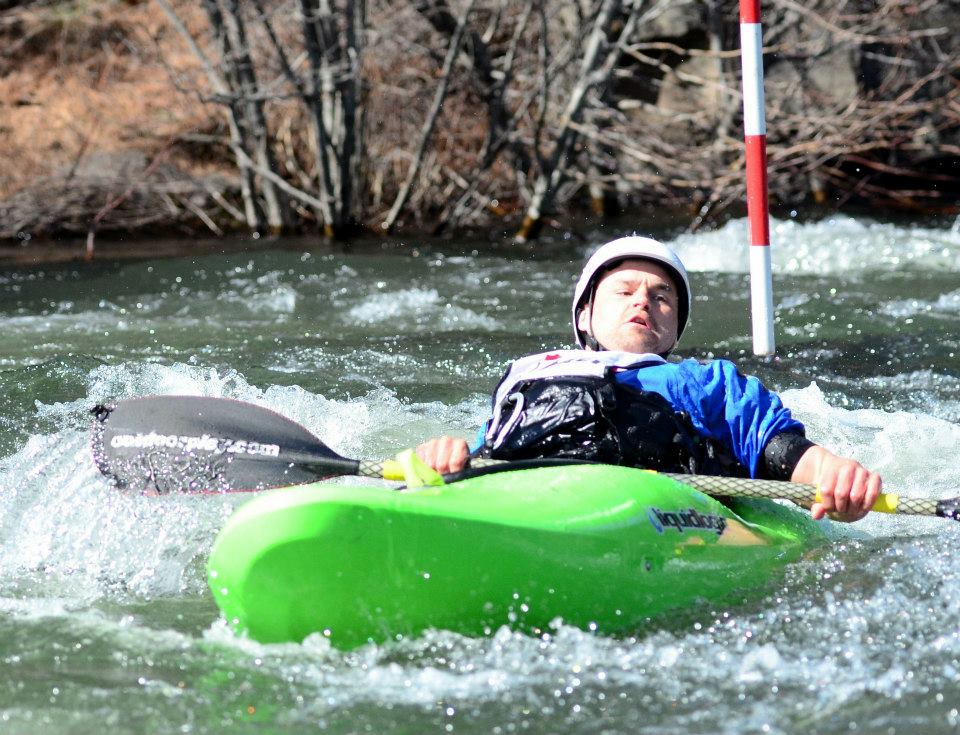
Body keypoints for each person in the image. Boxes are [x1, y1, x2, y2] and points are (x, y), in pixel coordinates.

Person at [416, 236, 882, 522]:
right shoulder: (526, 374)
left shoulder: (704, 382)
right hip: (518, 498)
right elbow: (486, 457)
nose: (642, 302)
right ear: (585, 313)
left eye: (661, 298)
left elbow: (789, 459)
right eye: (624, 291)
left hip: (647, 510)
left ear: (674, 327)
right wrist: (446, 458)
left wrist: (838, 477)